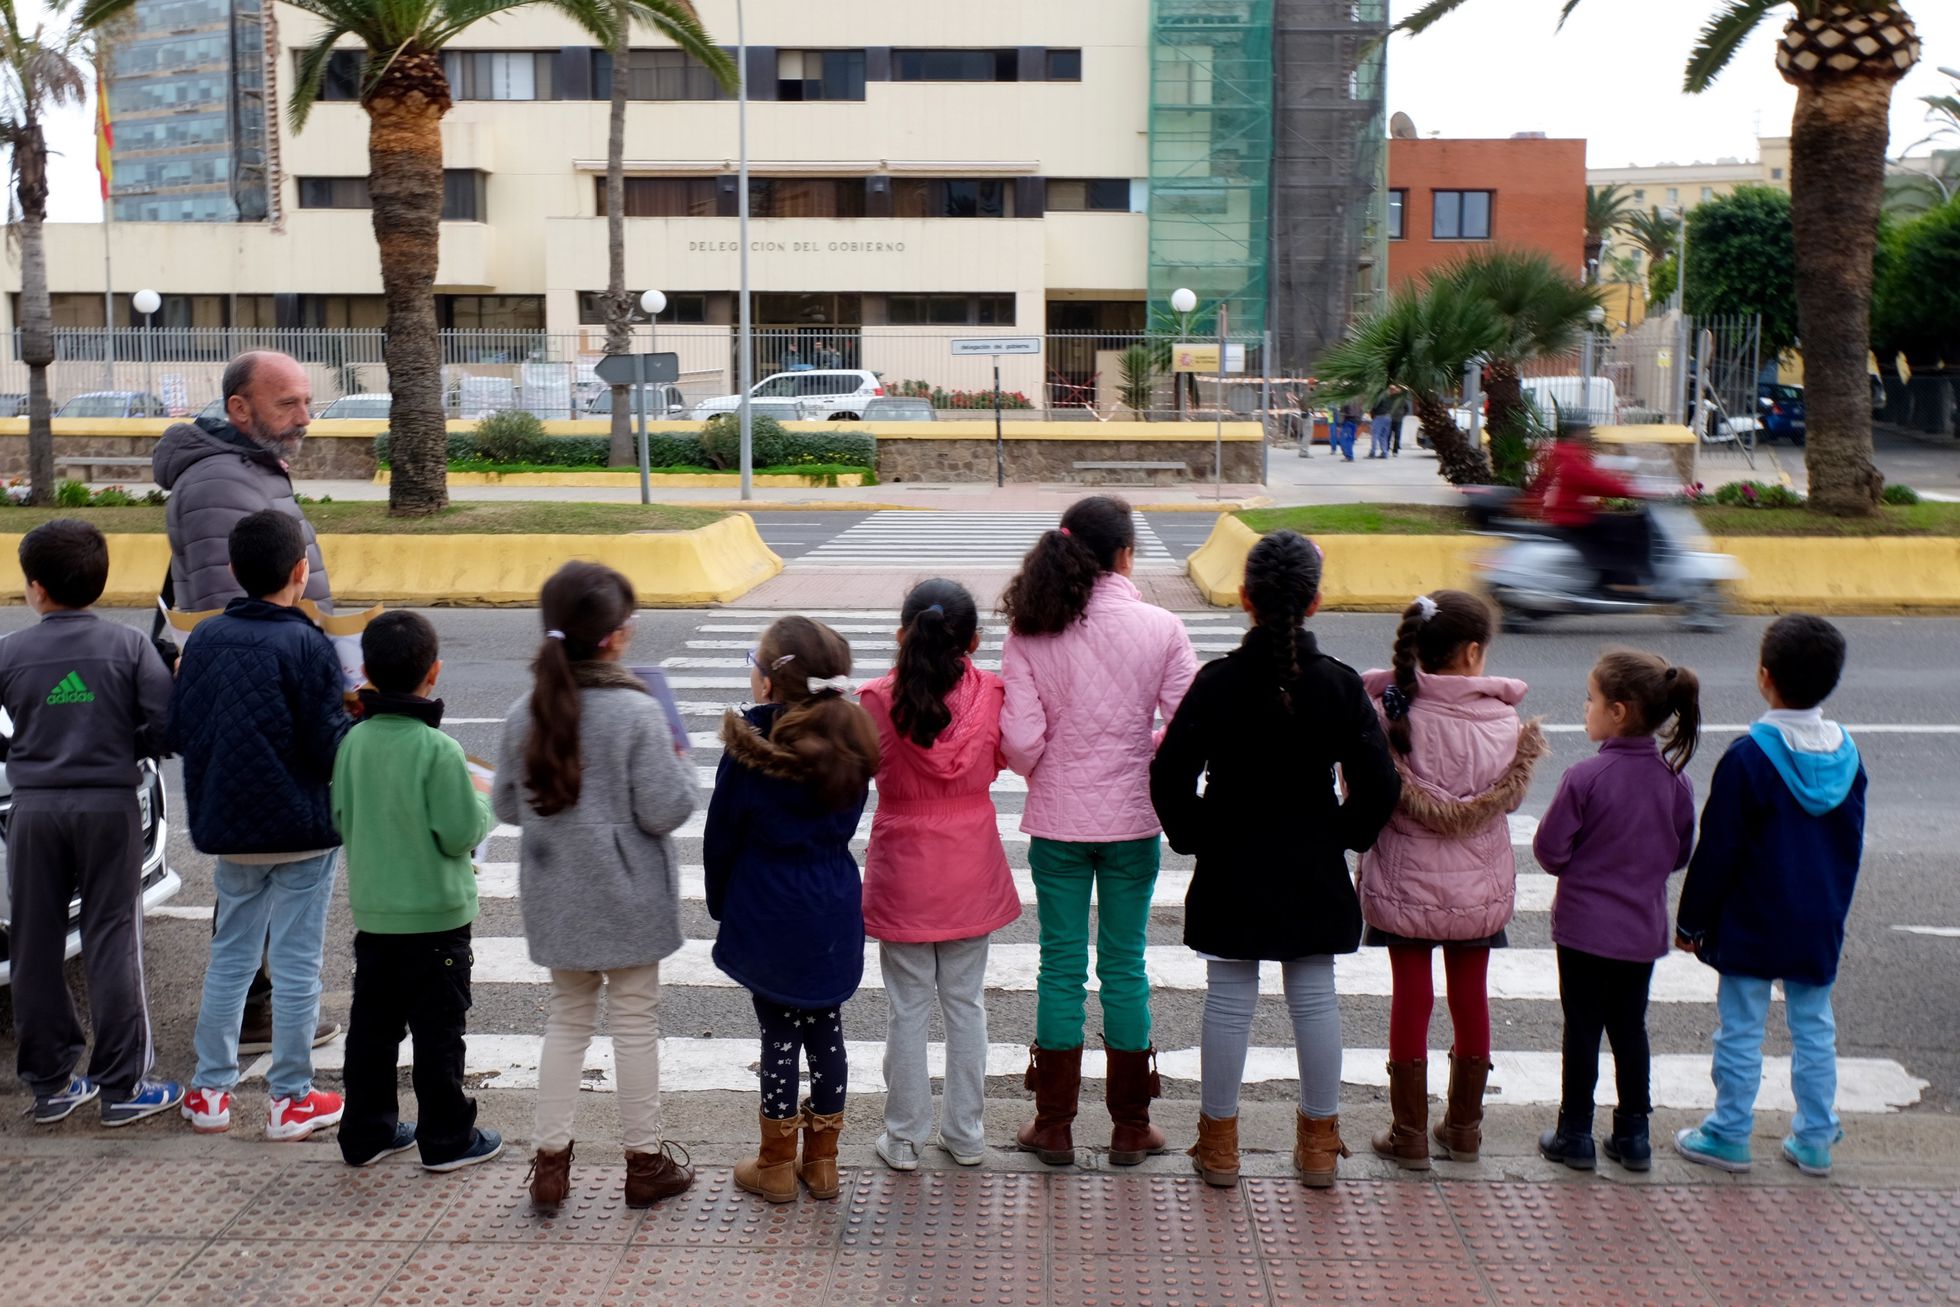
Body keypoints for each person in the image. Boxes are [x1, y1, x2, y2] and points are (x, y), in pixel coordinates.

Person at [1151, 531, 1400, 1188]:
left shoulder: (1218, 682)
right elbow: (1381, 785)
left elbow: (1169, 775)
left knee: (1229, 998)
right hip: (1313, 860)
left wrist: (1198, 834)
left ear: (1244, 598)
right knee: (1315, 997)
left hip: (1232, 859)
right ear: (1315, 602)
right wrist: (1342, 834)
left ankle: (1221, 1146)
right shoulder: (1341, 686)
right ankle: (1319, 1145)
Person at [1000, 495, 1198, 1167]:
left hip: (1057, 821)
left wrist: (1049, 766)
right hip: (1132, 821)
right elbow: (1189, 724)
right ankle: (1130, 1126)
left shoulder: (1030, 629)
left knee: (1059, 965)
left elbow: (1021, 740)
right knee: (1124, 964)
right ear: (1124, 554)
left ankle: (1052, 1124)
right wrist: (1141, 746)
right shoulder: (1163, 627)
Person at [494, 562, 699, 1208]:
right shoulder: (638, 711)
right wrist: (682, 759)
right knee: (635, 1022)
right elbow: (664, 809)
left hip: (557, 888)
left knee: (567, 1020)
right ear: (614, 637)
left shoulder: (524, 711)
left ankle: (550, 1164)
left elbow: (505, 805)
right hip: (630, 891)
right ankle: (644, 1161)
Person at [154, 348, 337, 1054]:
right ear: (239, 408)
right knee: (262, 868)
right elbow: (219, 613)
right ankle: (258, 1014)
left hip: (281, 688)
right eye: (288, 403)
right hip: (265, 705)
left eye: (305, 401)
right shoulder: (218, 483)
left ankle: (246, 1024)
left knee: (258, 865)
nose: (304, 416)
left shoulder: (248, 470)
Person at [173, 511, 351, 1141]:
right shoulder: (308, 643)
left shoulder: (206, 640)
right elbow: (330, 747)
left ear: (233, 572)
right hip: (302, 829)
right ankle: (290, 1099)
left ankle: (210, 1092)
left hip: (230, 829)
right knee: (299, 963)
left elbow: (178, 730)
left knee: (231, 956)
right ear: (300, 572)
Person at [1356, 590, 1546, 1170]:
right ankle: (1463, 1129)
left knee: (1410, 999)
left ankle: (1408, 1134)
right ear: (1470, 653)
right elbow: (1507, 805)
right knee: (1471, 997)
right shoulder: (1504, 721)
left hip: (1404, 887)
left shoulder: (1391, 713)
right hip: (1476, 893)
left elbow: (1364, 793)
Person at [0, 520, 180, 1127]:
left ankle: (50, 1086)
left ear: (36, 588)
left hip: (33, 812)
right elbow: (165, 727)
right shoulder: (129, 648)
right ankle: (123, 1086)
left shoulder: (10, 652)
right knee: (111, 937)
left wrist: (25, 751)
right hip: (108, 807)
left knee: (34, 943)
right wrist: (127, 743)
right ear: (99, 584)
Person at [1674, 615, 1866, 1178]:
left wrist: (1691, 923)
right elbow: (1850, 847)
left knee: (1739, 1027)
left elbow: (1719, 852)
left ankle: (1730, 1132)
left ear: (1764, 676)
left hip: (1752, 919)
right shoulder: (1849, 758)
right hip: (1818, 918)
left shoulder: (1749, 758)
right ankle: (1814, 1138)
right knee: (1814, 1027)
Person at [705, 616, 880, 1203]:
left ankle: (775, 1165)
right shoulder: (850, 741)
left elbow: (721, 834)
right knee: (827, 1029)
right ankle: (823, 1164)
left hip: (768, 906)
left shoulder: (752, 748)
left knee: (778, 1033)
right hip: (830, 902)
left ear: (771, 682)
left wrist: (720, 902)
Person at [333, 611, 503, 1173]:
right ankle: (447, 1137)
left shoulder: (354, 742)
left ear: (369, 674)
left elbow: (340, 815)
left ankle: (366, 1131)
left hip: (377, 914)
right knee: (438, 1031)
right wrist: (483, 800)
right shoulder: (440, 750)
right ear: (434, 673)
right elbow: (460, 832)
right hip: (437, 919)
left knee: (372, 1031)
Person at [859, 579, 1018, 1172]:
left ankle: (903, 1137)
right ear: (973, 641)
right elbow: (1003, 758)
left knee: (906, 1006)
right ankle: (967, 1132)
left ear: (903, 634)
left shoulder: (875, 699)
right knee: (965, 1003)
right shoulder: (993, 694)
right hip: (970, 863)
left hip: (904, 866)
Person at [1532, 650, 1700, 1172]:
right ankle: (1633, 1135)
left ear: (1619, 712)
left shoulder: (1586, 777)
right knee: (1631, 1030)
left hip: (1583, 932)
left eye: (1592, 699)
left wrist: (1582, 862)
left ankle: (1575, 1133)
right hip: (1641, 933)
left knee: (1581, 1028)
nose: (1586, 708)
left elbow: (1549, 850)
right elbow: (1680, 853)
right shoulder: (1676, 782)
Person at [1518, 423, 1651, 588]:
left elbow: (1596, 476)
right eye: (1586, 436)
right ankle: (1628, 576)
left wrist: (1623, 481)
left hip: (1566, 516)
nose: (1589, 440)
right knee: (1630, 525)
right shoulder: (1571, 460)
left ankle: (1620, 576)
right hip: (1572, 520)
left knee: (1616, 522)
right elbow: (1595, 482)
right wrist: (1634, 491)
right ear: (1577, 436)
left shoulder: (1563, 455)